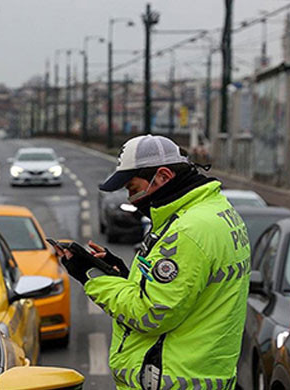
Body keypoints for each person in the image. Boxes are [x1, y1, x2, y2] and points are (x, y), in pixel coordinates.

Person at [54, 135, 250, 389]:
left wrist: (91, 277)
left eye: (133, 189)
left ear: (164, 177)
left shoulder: (188, 232)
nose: (130, 199)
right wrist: (124, 278)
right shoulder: (217, 211)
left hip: (174, 380)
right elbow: (185, 294)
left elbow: (151, 314)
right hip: (204, 375)